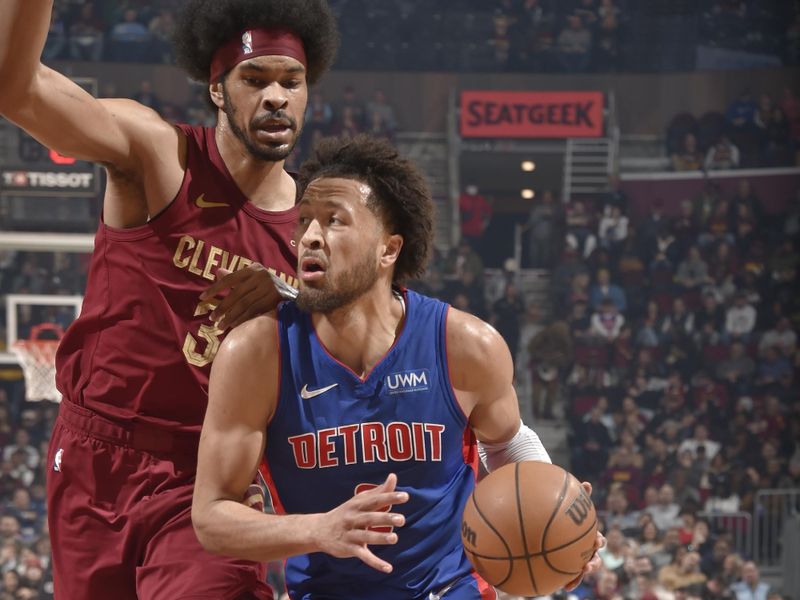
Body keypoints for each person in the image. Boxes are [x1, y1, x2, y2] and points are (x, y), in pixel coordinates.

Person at [0, 0, 339, 598]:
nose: (276, 97)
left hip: (208, 476)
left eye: (292, 81)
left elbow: (378, 330)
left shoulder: (321, 228)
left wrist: (291, 294)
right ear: (217, 88)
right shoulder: (158, 156)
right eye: (254, 79)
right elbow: (15, 89)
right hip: (92, 458)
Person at [192, 135, 604, 598]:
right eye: (303, 221)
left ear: (388, 250)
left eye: (334, 221)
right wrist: (320, 530)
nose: (308, 236)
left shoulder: (465, 344)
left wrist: (557, 511)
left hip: (448, 589)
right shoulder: (256, 353)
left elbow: (507, 445)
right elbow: (211, 517)